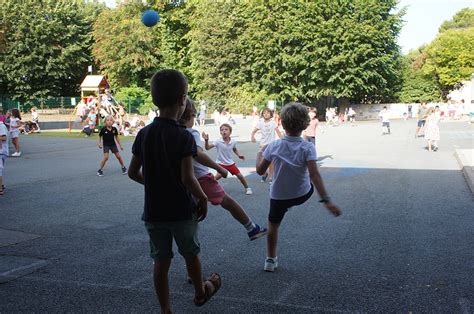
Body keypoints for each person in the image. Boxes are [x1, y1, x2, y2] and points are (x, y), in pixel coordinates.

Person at [127, 69, 221, 312]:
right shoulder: (184, 137)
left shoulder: (144, 134)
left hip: (154, 213)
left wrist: (155, 184)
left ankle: (166, 309)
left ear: (155, 99)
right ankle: (201, 292)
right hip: (181, 210)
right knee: (190, 253)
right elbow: (188, 177)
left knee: (161, 261)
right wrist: (202, 198)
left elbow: (132, 172)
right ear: (182, 100)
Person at [256, 102, 341, 272]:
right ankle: (289, 204)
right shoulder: (307, 147)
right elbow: (315, 175)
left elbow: (260, 171)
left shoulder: (273, 146)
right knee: (304, 184)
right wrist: (326, 200)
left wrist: (260, 154)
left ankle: (270, 260)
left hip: (279, 196)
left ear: (282, 124)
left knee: (273, 225)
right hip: (302, 194)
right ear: (305, 124)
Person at [179, 98, 267, 240]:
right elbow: (198, 153)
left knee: (190, 206)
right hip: (200, 177)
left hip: (182, 177)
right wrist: (219, 168)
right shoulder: (192, 133)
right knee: (227, 201)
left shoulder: (172, 132)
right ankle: (251, 228)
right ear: (191, 116)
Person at [203, 124, 253, 195]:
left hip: (230, 163)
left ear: (230, 132)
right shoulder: (217, 141)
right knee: (218, 176)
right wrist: (206, 141)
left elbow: (234, 149)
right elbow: (207, 148)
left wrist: (239, 155)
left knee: (240, 176)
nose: (224, 131)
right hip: (220, 164)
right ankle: (206, 189)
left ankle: (247, 188)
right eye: (222, 130)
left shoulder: (233, 141)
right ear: (220, 132)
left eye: (226, 129)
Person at [250, 108, 282, 183]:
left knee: (271, 162)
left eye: (268, 113)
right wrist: (252, 137)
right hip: (263, 144)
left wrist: (282, 140)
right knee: (262, 161)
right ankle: (264, 173)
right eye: (264, 113)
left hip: (271, 144)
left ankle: (271, 176)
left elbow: (278, 132)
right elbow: (254, 131)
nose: (266, 114)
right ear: (262, 115)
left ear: (271, 114)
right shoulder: (260, 123)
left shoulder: (273, 123)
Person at [0, 116, 8, 195]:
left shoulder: (1, 126)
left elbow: (4, 138)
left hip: (1, 152)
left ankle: (0, 188)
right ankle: (1, 185)